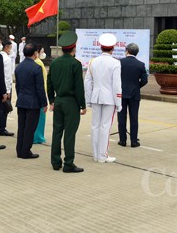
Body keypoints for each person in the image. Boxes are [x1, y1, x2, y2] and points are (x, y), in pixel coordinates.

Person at [47, 32, 86, 173]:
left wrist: (51, 100)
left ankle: (55, 162)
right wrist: (83, 105)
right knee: (69, 134)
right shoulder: (75, 64)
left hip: (58, 101)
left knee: (57, 132)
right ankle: (68, 163)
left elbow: (49, 83)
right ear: (73, 48)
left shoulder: (55, 63)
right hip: (71, 103)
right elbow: (79, 87)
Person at [84, 33, 123, 163]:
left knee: (95, 125)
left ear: (100, 47)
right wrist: (119, 102)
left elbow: (87, 82)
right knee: (105, 126)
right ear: (113, 48)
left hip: (96, 97)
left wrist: (88, 99)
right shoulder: (116, 63)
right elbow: (117, 85)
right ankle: (102, 155)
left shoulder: (92, 61)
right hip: (110, 98)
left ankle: (96, 155)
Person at [14, 43, 47, 159]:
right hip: (33, 102)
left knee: (21, 126)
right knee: (30, 127)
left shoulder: (19, 67)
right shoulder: (36, 67)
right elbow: (40, 87)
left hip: (21, 100)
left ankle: (19, 150)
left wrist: (20, 96)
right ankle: (26, 151)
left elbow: (17, 86)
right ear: (35, 53)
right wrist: (44, 103)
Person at [118, 42, 148, 148]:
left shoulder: (120, 62)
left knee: (121, 117)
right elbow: (144, 80)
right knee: (134, 118)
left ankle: (122, 140)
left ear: (127, 51)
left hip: (121, 93)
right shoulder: (141, 64)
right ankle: (134, 141)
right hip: (134, 94)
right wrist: (136, 86)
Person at [0, 39, 15, 137]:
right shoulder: (7, 59)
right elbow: (7, 75)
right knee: (5, 108)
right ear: (6, 47)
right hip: (5, 86)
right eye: (10, 48)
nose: (11, 50)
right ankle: (2, 128)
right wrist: (8, 90)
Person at [33, 45, 48, 145]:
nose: (43, 53)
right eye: (42, 51)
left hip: (39, 93)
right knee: (39, 117)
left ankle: (37, 136)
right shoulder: (38, 62)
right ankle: (38, 137)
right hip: (40, 94)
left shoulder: (38, 61)